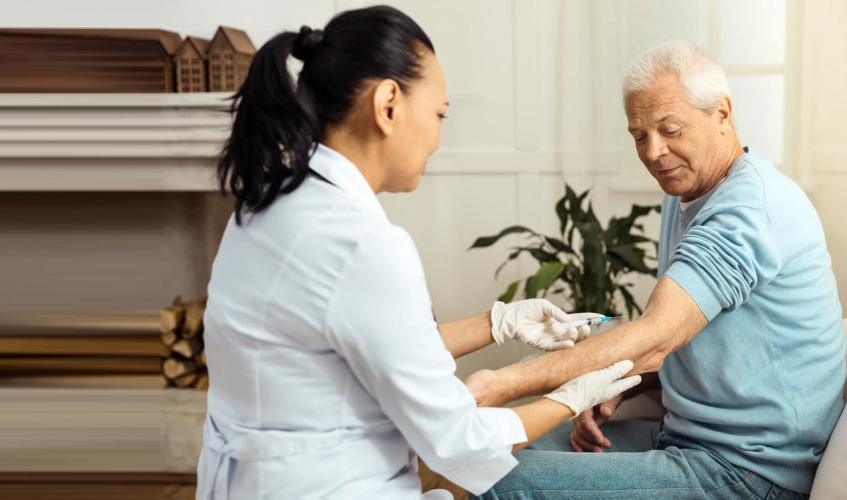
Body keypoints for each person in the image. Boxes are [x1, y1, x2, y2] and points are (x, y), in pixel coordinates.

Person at [197, 6, 639, 499]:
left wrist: (500, 322)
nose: (437, 137)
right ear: (388, 104)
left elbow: (366, 344)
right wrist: (570, 396)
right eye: (438, 114)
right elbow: (457, 442)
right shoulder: (361, 245)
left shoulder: (265, 205)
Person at [468, 41, 847, 499]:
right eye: (638, 135)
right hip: (686, 440)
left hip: (748, 471)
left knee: (500, 484)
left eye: (670, 129)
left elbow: (657, 334)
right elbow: (684, 338)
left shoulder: (749, 210)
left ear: (722, 114)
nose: (653, 152)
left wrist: (503, 382)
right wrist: (612, 388)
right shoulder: (685, 192)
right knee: (483, 457)